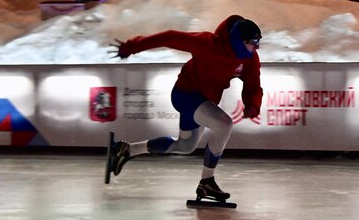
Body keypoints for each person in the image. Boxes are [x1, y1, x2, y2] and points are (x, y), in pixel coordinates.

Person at [108, 15, 263, 201]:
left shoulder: (250, 59)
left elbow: (253, 85)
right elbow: (169, 37)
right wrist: (132, 47)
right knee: (224, 124)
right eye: (254, 42)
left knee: (185, 146)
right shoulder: (208, 44)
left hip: (205, 101)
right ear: (239, 40)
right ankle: (207, 182)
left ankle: (126, 150)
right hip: (185, 94)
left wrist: (253, 104)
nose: (257, 47)